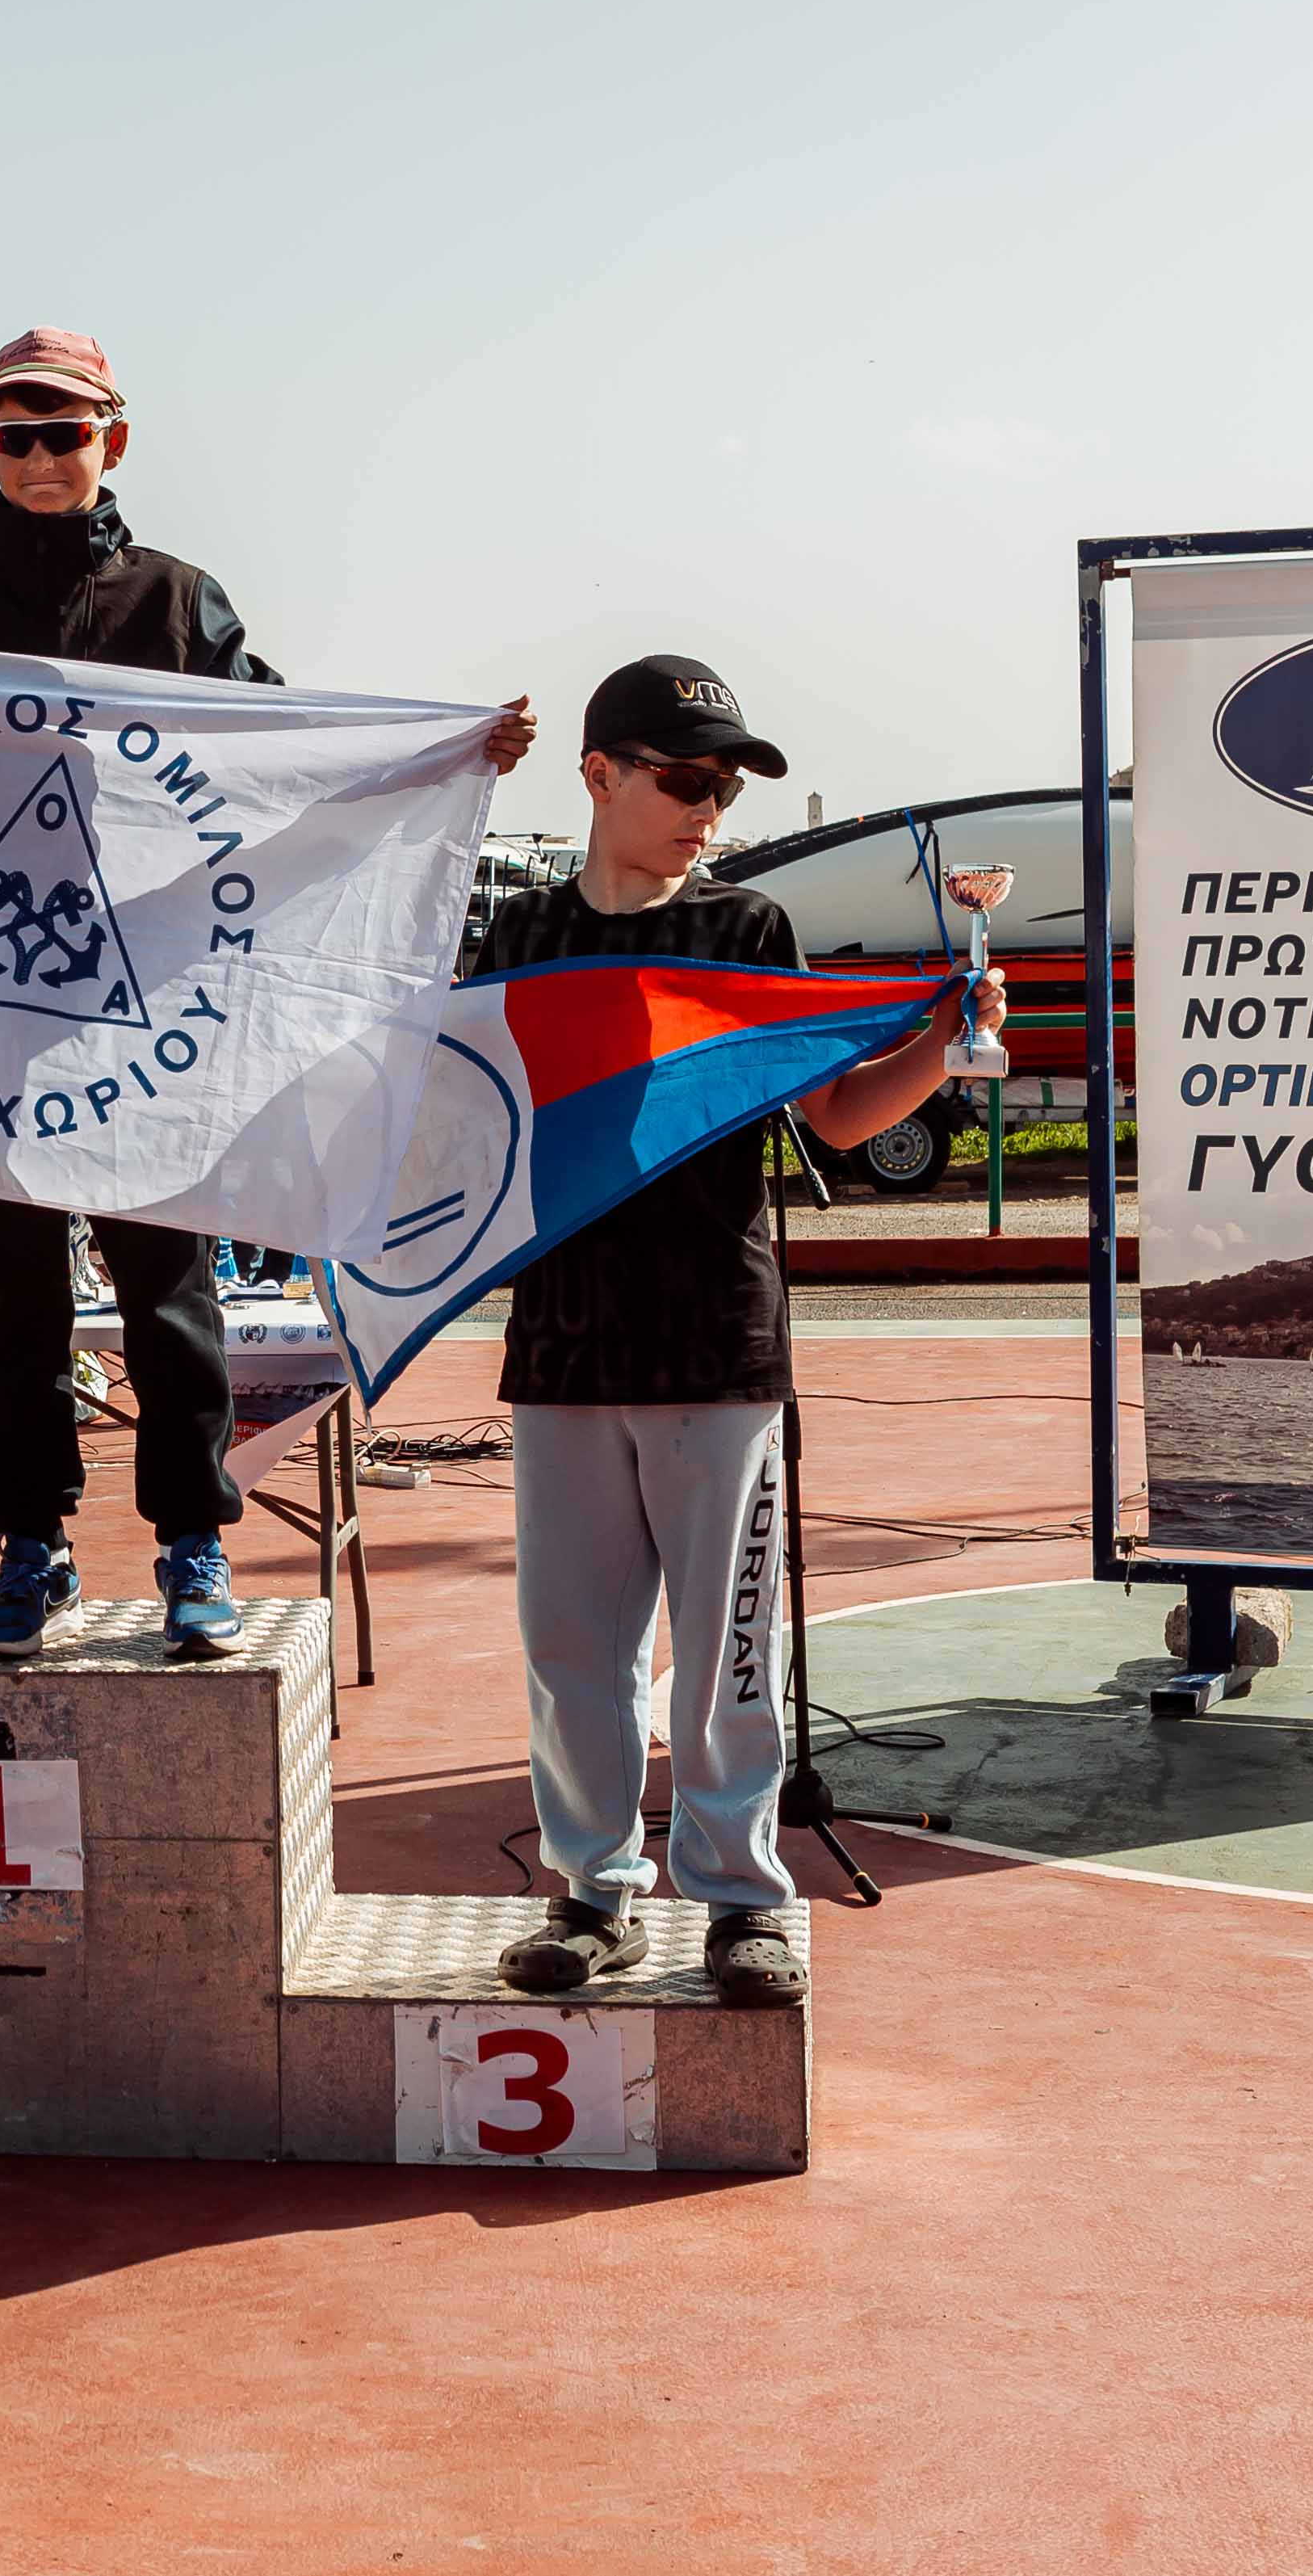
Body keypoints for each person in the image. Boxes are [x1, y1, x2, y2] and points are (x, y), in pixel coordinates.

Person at [0, 326, 535, 1662]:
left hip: (146, 1005)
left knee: (166, 1288)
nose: (40, 455)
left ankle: (191, 1541)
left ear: (113, 438)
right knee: (9, 1301)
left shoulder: (176, 600)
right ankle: (30, 1546)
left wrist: (443, 751)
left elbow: (286, 745)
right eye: (13, 434)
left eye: (64, 430)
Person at [476, 655, 996, 2010]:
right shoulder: (518, 936)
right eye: (685, 780)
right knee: (571, 1655)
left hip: (714, 1339)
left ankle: (740, 1897)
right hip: (562, 1342)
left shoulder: (744, 929)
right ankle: (592, 1893)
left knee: (727, 1652)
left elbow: (834, 1115)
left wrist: (942, 1039)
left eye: (725, 786)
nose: (708, 808)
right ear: (598, 774)